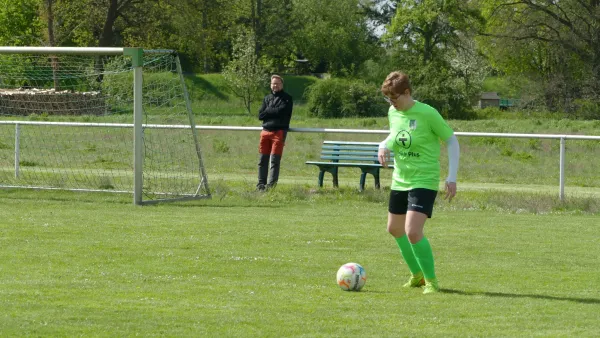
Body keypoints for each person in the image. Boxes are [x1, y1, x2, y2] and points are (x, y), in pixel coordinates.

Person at [378, 71, 460, 294]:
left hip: (424, 179)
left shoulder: (427, 113)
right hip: (400, 179)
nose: (392, 104)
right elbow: (394, 135)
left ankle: (432, 281)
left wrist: (451, 177)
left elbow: (451, 141)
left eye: (395, 98)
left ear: (407, 92)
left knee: (413, 231)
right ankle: (417, 275)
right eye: (389, 100)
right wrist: (383, 145)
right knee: (394, 229)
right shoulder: (393, 113)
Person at [257, 75, 293, 191]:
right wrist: (272, 111)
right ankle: (261, 185)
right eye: (273, 83)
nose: (275, 85)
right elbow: (260, 115)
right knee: (262, 160)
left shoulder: (287, 99)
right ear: (270, 85)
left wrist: (268, 111)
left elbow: (282, 112)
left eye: (277, 83)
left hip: (279, 132)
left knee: (274, 160)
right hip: (265, 132)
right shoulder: (266, 98)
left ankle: (270, 187)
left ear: (282, 85)